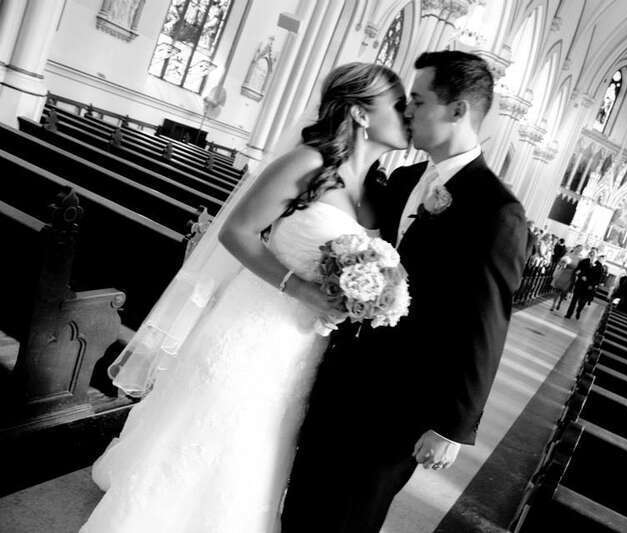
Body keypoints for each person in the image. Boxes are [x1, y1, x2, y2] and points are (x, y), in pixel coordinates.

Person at [80, 62, 410, 532]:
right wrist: (299, 289)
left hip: (305, 342)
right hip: (254, 321)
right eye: (397, 104)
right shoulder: (307, 163)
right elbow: (237, 232)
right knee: (218, 422)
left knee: (262, 436)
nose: (406, 114)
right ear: (360, 113)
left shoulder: (376, 189)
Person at [282, 51, 528, 533]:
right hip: (342, 375)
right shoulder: (404, 178)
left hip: (401, 404)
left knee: (349, 518)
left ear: (458, 110)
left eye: (417, 100)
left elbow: (485, 324)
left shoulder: (497, 210)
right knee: (304, 503)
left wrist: (451, 427)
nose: (407, 111)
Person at [565, 248, 598, 319]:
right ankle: (568, 314)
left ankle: (579, 310)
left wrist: (592, 285)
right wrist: (581, 276)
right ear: (589, 254)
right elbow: (577, 270)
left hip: (588, 286)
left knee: (582, 302)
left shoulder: (599, 266)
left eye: (594, 253)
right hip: (580, 284)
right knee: (574, 300)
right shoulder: (584, 261)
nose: (592, 254)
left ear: (596, 255)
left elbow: (598, 278)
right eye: (591, 253)